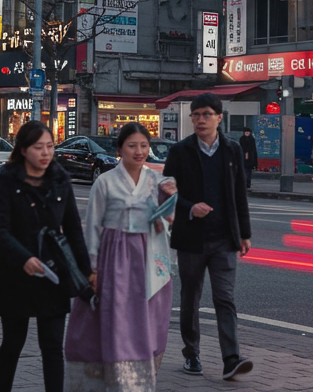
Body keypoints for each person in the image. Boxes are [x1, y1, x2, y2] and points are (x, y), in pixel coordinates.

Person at [66, 122, 176, 392]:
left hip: (147, 257)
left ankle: (139, 379)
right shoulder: (105, 182)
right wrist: (92, 269)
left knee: (147, 320)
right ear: (119, 149)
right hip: (114, 257)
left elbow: (169, 221)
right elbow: (93, 227)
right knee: (117, 318)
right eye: (132, 146)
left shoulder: (156, 181)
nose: (139, 152)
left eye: (143, 146)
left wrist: (167, 209)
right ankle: (114, 379)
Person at [0, 122, 89, 392]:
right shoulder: (9, 179)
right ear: (23, 150)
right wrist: (23, 258)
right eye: (38, 147)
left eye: (50, 146)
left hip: (53, 271)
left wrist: (87, 271)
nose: (46, 153)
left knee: (53, 346)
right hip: (16, 273)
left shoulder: (60, 179)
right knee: (12, 343)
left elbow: (74, 230)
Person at [161, 93, 253, 381]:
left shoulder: (232, 150)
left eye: (206, 114)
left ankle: (231, 359)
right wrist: (189, 208)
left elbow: (239, 193)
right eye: (196, 115)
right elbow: (166, 191)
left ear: (219, 118)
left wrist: (245, 233)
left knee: (225, 298)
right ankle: (192, 353)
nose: (200, 120)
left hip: (225, 237)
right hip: (191, 238)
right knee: (191, 297)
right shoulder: (180, 151)